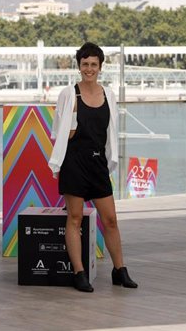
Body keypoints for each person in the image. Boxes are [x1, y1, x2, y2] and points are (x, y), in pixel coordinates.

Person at [48, 42, 137, 292]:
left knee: (110, 220)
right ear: (79, 66)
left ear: (100, 67)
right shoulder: (68, 94)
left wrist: (110, 160)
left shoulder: (108, 94)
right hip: (74, 163)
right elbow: (58, 132)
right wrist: (72, 126)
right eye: (85, 64)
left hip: (98, 164)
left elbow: (111, 131)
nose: (89, 69)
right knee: (74, 219)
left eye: (93, 65)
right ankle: (79, 273)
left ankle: (119, 269)